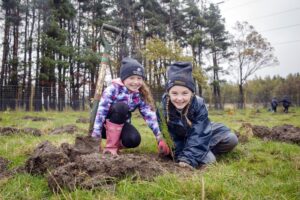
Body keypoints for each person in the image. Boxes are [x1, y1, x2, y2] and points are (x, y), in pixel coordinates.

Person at [160, 61, 238, 169]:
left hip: (198, 134)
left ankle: (201, 149)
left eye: (184, 93)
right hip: (180, 140)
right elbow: (169, 137)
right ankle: (200, 152)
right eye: (174, 93)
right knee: (210, 160)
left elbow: (200, 132)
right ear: (168, 93)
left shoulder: (199, 104)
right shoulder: (163, 108)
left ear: (192, 93)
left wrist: (190, 156)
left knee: (231, 139)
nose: (179, 98)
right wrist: (185, 158)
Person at [91, 57, 170, 156]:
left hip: (120, 126)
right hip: (103, 126)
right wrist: (96, 135)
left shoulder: (139, 94)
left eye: (139, 78)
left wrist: (159, 137)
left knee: (134, 139)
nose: (136, 82)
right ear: (124, 78)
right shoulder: (112, 89)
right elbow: (101, 112)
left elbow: (150, 116)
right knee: (122, 107)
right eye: (131, 78)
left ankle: (115, 145)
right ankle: (110, 149)